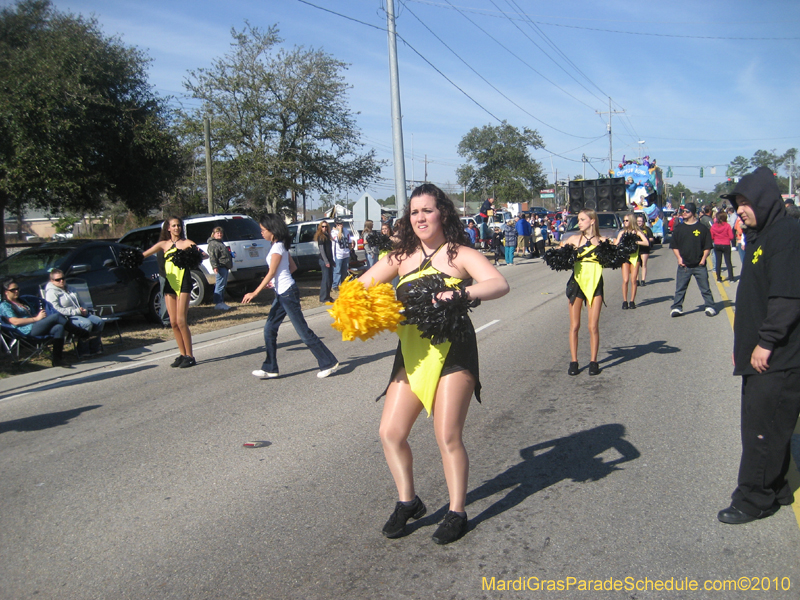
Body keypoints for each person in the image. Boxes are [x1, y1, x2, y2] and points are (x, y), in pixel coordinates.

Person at [357, 183, 508, 545]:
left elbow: (499, 284)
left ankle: (457, 511)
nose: (420, 217)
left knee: (447, 435)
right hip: (412, 352)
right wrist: (359, 307)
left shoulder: (460, 254)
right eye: (414, 212)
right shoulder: (399, 258)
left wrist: (461, 292)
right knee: (390, 433)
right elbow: (361, 287)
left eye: (427, 210)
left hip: (454, 349)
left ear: (442, 213)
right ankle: (408, 501)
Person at [716, 166, 800, 525]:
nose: (740, 211)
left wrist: (766, 342)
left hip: (779, 358)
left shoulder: (786, 235)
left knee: (762, 430)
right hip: (760, 356)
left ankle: (753, 499)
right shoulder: (761, 235)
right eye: (737, 204)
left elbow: (788, 297)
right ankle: (777, 488)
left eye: (746, 202)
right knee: (767, 425)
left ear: (766, 199)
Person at [244, 214, 339, 379]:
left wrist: (255, 292)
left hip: (288, 294)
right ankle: (270, 368)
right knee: (269, 329)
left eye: (263, 230)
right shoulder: (278, 246)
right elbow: (292, 267)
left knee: (303, 332)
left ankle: (329, 362)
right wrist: (276, 281)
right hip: (282, 293)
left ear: (272, 231)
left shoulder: (278, 247)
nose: (261, 233)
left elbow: (272, 271)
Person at [142, 216, 200, 368]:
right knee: (173, 322)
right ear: (168, 228)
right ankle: (182, 354)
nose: (176, 228)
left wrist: (190, 256)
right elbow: (143, 255)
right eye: (174, 226)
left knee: (181, 321)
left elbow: (201, 255)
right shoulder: (163, 244)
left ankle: (190, 356)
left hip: (184, 283)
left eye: (179, 225)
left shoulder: (187, 243)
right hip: (170, 283)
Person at [560, 209, 607, 376]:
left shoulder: (603, 241)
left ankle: (593, 361)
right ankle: (574, 361)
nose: (579, 223)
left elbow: (618, 254)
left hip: (595, 284)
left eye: (582, 219)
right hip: (576, 284)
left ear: (592, 221)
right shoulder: (573, 240)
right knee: (575, 326)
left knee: (593, 326)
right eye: (578, 220)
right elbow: (558, 255)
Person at [1, 278, 82, 367]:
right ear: (6, 292)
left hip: (36, 325)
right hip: (25, 329)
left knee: (59, 328)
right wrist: (36, 318)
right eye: (13, 290)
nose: (16, 291)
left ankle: (57, 360)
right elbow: (15, 321)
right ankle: (80, 333)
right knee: (56, 317)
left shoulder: (22, 301)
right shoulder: (5, 305)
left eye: (17, 289)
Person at [668, 203, 716, 317]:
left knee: (705, 288)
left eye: (687, 211)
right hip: (684, 265)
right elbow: (674, 246)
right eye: (683, 211)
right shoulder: (679, 228)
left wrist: (703, 259)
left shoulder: (702, 228)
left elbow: (707, 246)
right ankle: (677, 307)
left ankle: (710, 306)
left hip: (699, 264)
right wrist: (679, 258)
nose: (684, 213)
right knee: (680, 288)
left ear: (693, 213)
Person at [44, 268, 104, 357]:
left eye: (63, 278)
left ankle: (94, 348)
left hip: (80, 313)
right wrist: (76, 311)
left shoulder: (71, 288)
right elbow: (55, 309)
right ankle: (83, 350)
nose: (61, 281)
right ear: (52, 280)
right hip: (67, 317)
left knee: (99, 321)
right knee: (86, 324)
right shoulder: (51, 292)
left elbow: (81, 302)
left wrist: (84, 309)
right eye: (58, 280)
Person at [615, 213, 649, 310]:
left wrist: (636, 242)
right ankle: (625, 301)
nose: (625, 222)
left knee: (634, 280)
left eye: (626, 220)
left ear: (631, 221)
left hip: (634, 257)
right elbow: (616, 243)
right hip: (625, 257)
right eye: (624, 221)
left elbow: (646, 242)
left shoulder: (637, 232)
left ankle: (632, 301)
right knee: (625, 280)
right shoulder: (622, 232)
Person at [207, 226, 233, 311]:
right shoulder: (213, 244)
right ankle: (218, 303)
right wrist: (215, 267)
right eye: (217, 233)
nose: (219, 234)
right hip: (220, 267)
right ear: (213, 234)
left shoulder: (220, 243)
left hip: (225, 266)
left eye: (221, 233)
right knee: (220, 286)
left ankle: (221, 302)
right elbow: (213, 257)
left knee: (223, 285)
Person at [710, 212, 735, 282]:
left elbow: (711, 236)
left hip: (717, 244)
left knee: (718, 262)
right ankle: (731, 278)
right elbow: (731, 236)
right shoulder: (727, 226)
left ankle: (718, 278)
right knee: (728, 261)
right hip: (726, 244)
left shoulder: (714, 226)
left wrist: (716, 238)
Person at [315, 221, 334, 303]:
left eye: (326, 226)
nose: (324, 228)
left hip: (329, 259)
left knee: (330, 279)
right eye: (323, 226)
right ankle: (323, 298)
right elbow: (322, 250)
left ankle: (328, 296)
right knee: (325, 279)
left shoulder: (327, 235)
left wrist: (332, 260)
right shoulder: (320, 237)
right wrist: (326, 261)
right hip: (324, 260)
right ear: (320, 227)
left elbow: (329, 250)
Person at [331, 219, 352, 291]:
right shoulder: (333, 232)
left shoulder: (346, 230)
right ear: (336, 225)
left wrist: (350, 249)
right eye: (339, 224)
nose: (341, 225)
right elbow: (338, 238)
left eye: (341, 224)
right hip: (338, 254)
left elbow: (349, 240)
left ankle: (343, 283)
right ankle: (335, 285)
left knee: (344, 270)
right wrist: (339, 230)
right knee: (337, 270)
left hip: (346, 253)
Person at [635, 214, 654, 286]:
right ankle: (636, 280)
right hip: (636, 249)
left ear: (643, 222)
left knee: (643, 264)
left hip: (644, 249)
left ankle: (643, 280)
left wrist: (645, 239)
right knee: (636, 265)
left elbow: (652, 239)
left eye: (641, 221)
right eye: (638, 221)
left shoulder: (647, 229)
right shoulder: (634, 229)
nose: (639, 222)